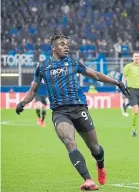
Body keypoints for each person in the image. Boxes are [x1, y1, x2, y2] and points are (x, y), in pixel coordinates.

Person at [15, 33, 130, 191]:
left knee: (95, 148)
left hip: (79, 108)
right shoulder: (42, 66)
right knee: (70, 142)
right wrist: (23, 102)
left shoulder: (73, 63)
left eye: (67, 44)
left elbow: (95, 75)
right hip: (60, 112)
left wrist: (118, 83)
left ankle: (100, 165)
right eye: (62, 44)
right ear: (53, 47)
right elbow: (33, 90)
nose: (66, 46)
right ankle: (88, 180)